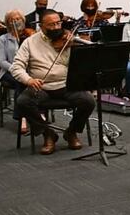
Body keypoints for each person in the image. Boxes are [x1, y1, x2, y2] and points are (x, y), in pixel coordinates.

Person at [11, 9, 95, 155]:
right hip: (42, 87)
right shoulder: (30, 42)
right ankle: (48, 133)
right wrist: (29, 80)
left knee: (88, 101)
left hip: (65, 85)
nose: (57, 27)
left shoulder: (67, 40)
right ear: (42, 26)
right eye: (52, 25)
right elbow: (16, 67)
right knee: (23, 102)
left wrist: (74, 48)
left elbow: (82, 65)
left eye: (59, 23)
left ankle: (71, 132)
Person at [0, 10, 31, 133]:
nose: (16, 21)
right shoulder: (3, 39)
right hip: (8, 72)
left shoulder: (28, 37)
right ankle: (22, 117)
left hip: (26, 71)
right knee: (21, 81)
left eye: (18, 19)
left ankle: (37, 113)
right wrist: (16, 70)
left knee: (32, 79)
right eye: (12, 19)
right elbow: (2, 61)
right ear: (7, 22)